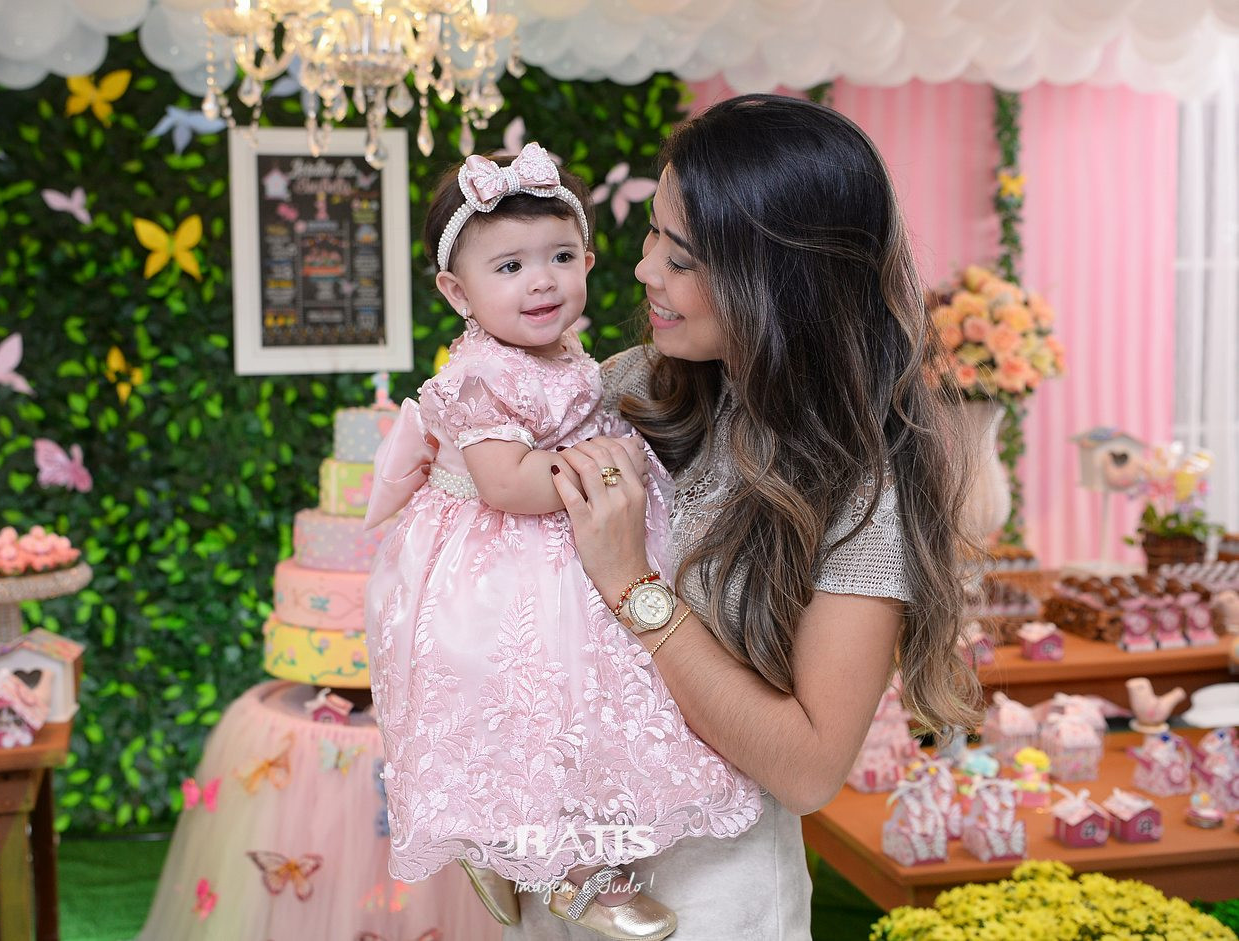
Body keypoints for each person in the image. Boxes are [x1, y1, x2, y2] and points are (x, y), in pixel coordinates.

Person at [512, 93, 983, 940]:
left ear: (779, 281)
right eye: (652, 234)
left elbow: (808, 768)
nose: (645, 270)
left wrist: (634, 585)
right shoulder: (625, 387)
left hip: (708, 910)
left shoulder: (859, 486)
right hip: (556, 894)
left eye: (682, 257)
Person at [363, 142, 763, 941]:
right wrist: (607, 469)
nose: (541, 281)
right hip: (497, 572)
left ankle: (540, 844)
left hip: (558, 556)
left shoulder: (564, 353)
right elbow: (507, 483)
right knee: (524, 710)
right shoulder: (481, 374)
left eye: (558, 257)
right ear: (457, 291)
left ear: (587, 260)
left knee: (589, 708)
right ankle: (561, 865)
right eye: (509, 267)